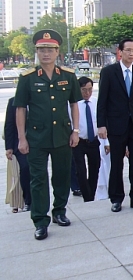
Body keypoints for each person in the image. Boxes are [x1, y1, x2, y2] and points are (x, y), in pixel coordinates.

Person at [13, 30, 81, 240]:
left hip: (62, 135)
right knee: (38, 180)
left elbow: (74, 105)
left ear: (57, 51)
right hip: (36, 138)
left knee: (62, 176)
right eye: (41, 50)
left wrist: (76, 131)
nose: (46, 54)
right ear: (37, 52)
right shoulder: (27, 78)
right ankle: (40, 221)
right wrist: (21, 138)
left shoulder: (68, 76)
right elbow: (20, 109)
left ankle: (59, 211)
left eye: (50, 50)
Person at [96, 38, 133, 213]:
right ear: (119, 51)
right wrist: (101, 125)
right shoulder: (108, 72)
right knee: (117, 164)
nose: (130, 53)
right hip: (116, 125)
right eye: (127, 50)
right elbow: (102, 101)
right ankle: (116, 199)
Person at [72, 77, 108, 201]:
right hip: (79, 142)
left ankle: (91, 195)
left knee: (95, 168)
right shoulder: (73, 104)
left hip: (93, 141)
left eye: (90, 89)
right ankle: (87, 197)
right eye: (84, 90)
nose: (87, 93)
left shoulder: (95, 102)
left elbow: (103, 122)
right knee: (81, 171)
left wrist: (106, 142)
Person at [5, 96, 30, 213]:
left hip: (38, 142)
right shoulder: (13, 102)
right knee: (25, 168)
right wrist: (9, 147)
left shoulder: (38, 97)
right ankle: (28, 201)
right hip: (19, 143)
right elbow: (9, 124)